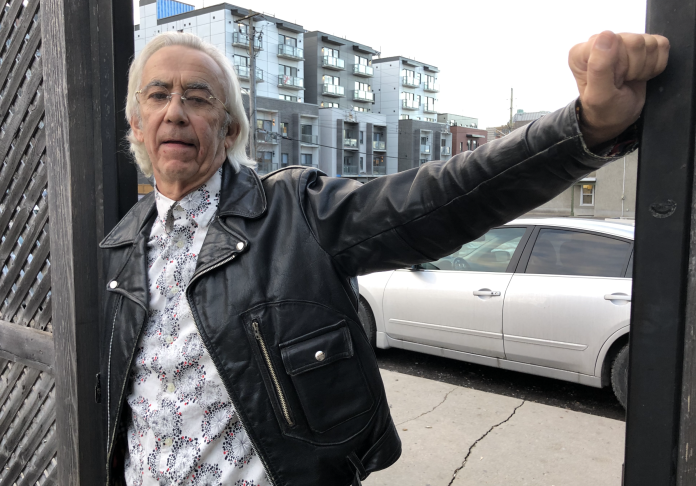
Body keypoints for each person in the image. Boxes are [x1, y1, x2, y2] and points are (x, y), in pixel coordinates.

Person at [99, 30, 669, 486]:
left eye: (197, 98)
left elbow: (439, 198)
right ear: (137, 124)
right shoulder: (123, 246)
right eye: (158, 95)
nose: (175, 111)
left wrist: (585, 127)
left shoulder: (295, 213)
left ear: (227, 129)